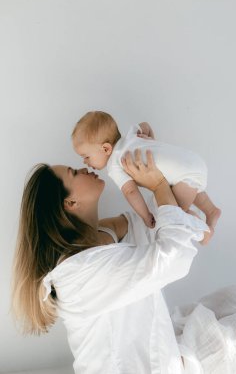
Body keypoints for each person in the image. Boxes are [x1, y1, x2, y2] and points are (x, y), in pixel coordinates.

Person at [11, 149, 209, 374]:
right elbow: (173, 259)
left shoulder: (97, 239)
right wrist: (160, 186)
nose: (84, 168)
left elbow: (147, 220)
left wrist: (149, 160)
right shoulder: (79, 273)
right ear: (71, 202)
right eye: (74, 173)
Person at [72, 111, 221, 244]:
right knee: (191, 184)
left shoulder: (115, 163)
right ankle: (211, 210)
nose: (85, 162)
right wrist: (151, 141)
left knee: (174, 213)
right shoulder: (131, 136)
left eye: (86, 156)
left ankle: (204, 232)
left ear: (106, 148)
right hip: (193, 161)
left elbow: (130, 192)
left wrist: (145, 215)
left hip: (184, 174)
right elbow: (145, 125)